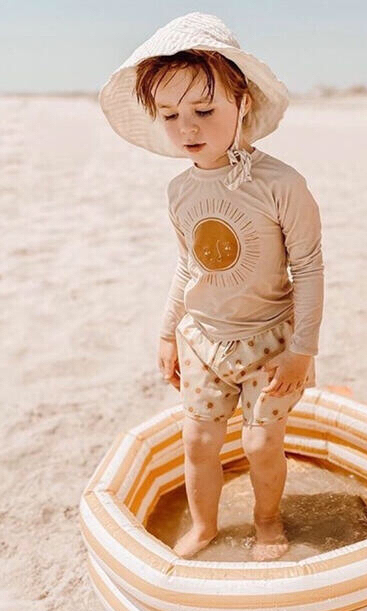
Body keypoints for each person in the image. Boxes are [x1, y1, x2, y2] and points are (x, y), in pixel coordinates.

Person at [100, 13, 323, 561]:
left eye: (204, 110)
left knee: (260, 443)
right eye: (170, 115)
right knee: (198, 441)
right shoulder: (179, 190)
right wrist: (168, 333)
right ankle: (203, 525)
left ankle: (268, 522)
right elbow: (187, 265)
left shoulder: (282, 184)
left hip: (269, 341)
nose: (187, 129)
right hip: (203, 338)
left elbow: (310, 268)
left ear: (242, 103)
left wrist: (302, 351)